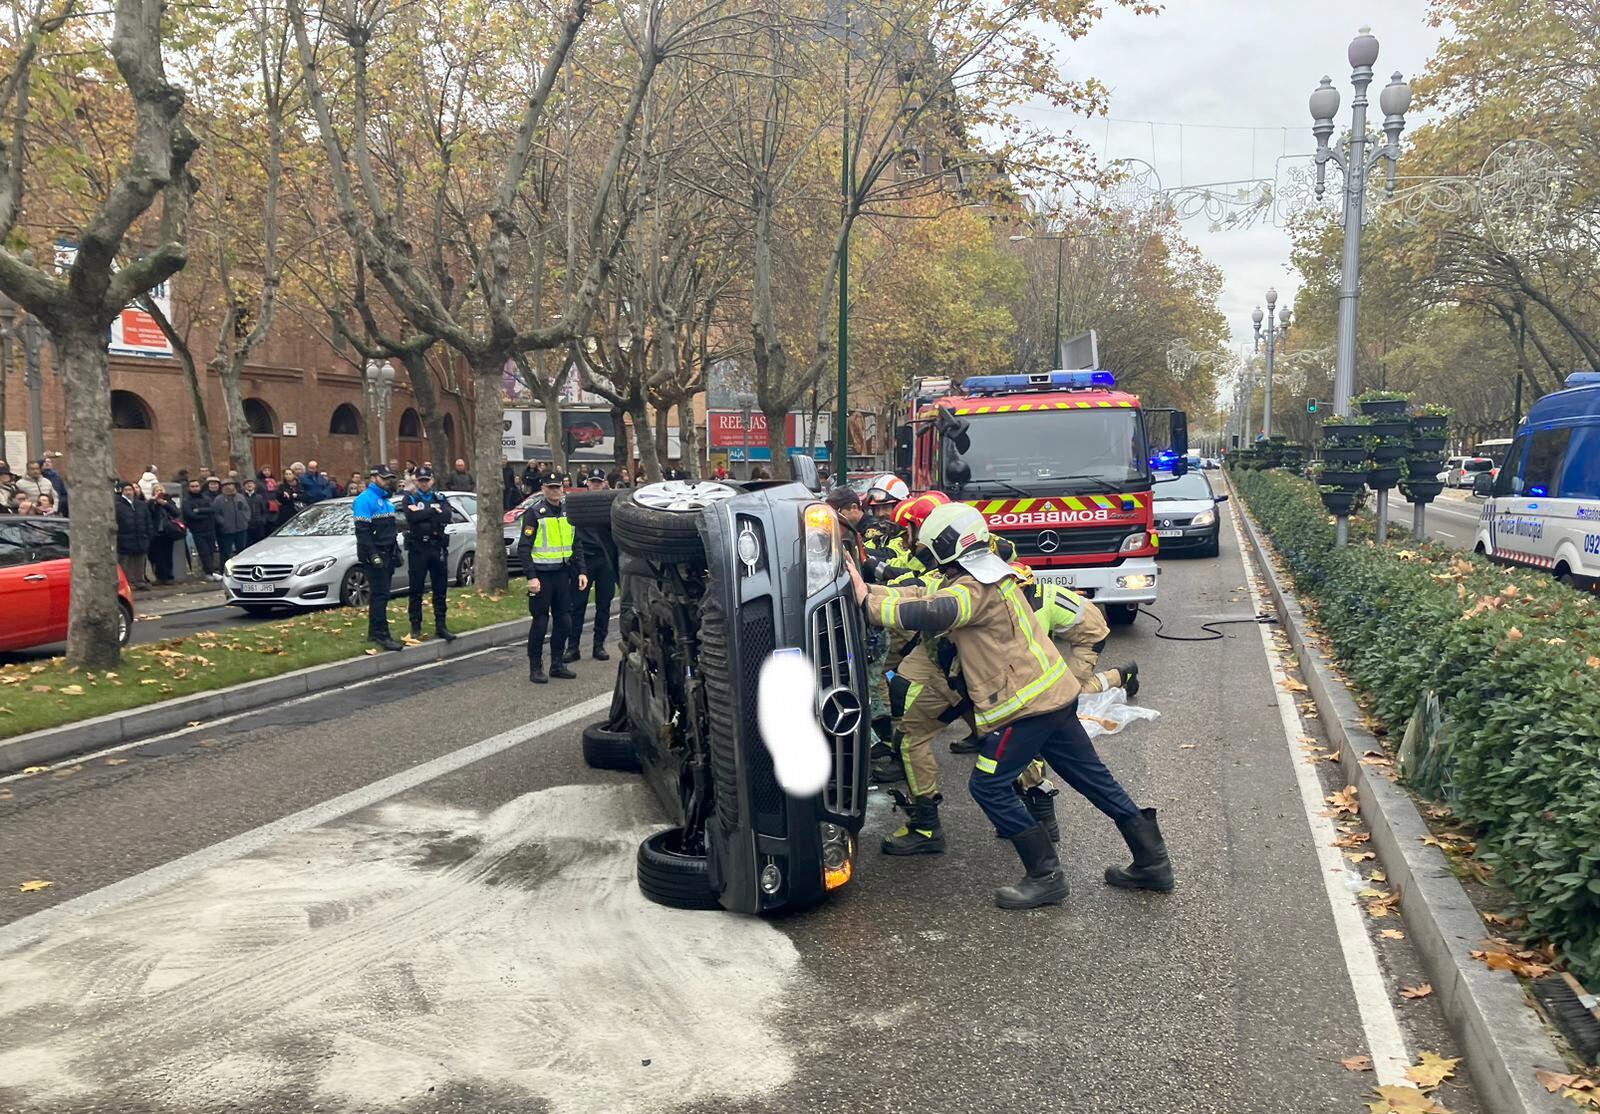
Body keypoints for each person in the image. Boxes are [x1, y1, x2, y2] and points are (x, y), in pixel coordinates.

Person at [850, 502, 1173, 908]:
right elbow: (923, 593)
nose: (928, 557)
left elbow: (933, 610)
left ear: (947, 546)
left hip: (1025, 710)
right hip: (1054, 699)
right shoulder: (993, 575)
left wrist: (866, 603)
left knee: (988, 786)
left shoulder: (974, 588)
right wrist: (868, 589)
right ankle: (1153, 862)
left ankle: (1045, 876)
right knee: (1095, 781)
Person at [1014, 563, 1139, 698]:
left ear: (1020, 588)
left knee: (1072, 694)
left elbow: (1038, 651)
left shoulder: (1037, 611)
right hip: (1085, 623)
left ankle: (1122, 676)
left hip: (1091, 636)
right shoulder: (1036, 591)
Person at [516, 471, 587, 683]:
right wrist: (531, 577)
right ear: (543, 489)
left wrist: (582, 571)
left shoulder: (567, 512)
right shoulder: (535, 513)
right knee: (540, 622)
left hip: (563, 573)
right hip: (542, 575)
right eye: (551, 487)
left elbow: (576, 543)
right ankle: (535, 667)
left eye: (558, 487)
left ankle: (557, 664)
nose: (555, 491)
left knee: (564, 620)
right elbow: (524, 547)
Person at [566, 468, 617, 662]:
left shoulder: (611, 504)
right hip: (584, 559)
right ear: (587, 483)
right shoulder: (579, 503)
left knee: (604, 605)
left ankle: (599, 645)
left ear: (604, 483)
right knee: (577, 605)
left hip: (605, 559)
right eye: (593, 481)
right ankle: (573, 647)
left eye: (599, 482)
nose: (595, 485)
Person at [402, 465, 457, 642]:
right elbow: (412, 518)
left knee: (440, 589)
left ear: (432, 481)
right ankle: (415, 625)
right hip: (418, 548)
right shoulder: (410, 498)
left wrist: (424, 515)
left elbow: (446, 516)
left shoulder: (439, 497)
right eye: (421, 481)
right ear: (416, 481)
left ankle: (441, 625)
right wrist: (433, 512)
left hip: (437, 546)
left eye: (427, 480)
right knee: (416, 589)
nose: (424, 483)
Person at [353, 465, 403, 651]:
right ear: (373, 478)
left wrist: (396, 551)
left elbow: (390, 530)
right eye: (384, 478)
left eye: (389, 478)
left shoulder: (386, 500)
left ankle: (374, 633)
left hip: (388, 551)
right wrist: (373, 555)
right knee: (380, 595)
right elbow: (363, 533)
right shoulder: (364, 500)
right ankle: (382, 635)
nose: (387, 481)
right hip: (375, 553)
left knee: (380, 595)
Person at [115, 481, 152, 589]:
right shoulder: (118, 506)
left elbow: (148, 521)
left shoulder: (141, 505)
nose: (128, 492)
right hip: (125, 539)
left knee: (139, 562)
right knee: (125, 563)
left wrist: (148, 535)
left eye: (130, 490)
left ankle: (139, 581)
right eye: (126, 490)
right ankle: (126, 583)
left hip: (141, 538)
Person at [182, 477, 221, 578]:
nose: (195, 488)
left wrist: (199, 510)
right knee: (204, 552)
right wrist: (205, 514)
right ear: (189, 488)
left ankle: (211, 571)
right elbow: (190, 515)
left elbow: (213, 509)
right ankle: (209, 572)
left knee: (211, 551)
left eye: (197, 486)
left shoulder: (206, 498)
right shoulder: (186, 500)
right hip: (197, 530)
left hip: (210, 529)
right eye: (192, 486)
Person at [147, 488, 184, 583]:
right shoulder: (151, 502)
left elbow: (176, 513)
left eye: (161, 490)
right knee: (158, 556)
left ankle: (168, 575)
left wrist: (165, 504)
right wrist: (153, 502)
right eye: (157, 491)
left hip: (167, 532)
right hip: (156, 532)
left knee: (168, 555)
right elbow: (148, 512)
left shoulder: (169, 502)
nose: (159, 492)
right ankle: (160, 576)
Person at [214, 479, 252, 562]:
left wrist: (246, 519)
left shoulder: (240, 497)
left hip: (241, 529)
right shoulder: (219, 499)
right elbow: (216, 514)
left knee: (241, 551)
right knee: (226, 552)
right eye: (226, 485)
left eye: (230, 484)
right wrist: (223, 523)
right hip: (226, 531)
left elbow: (246, 509)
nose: (229, 486)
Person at [243, 477, 271, 544]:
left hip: (258, 525)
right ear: (244, 486)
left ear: (254, 485)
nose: (249, 485)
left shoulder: (259, 497)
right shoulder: (242, 497)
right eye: (247, 483)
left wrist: (262, 520)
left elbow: (264, 510)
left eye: (251, 483)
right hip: (246, 526)